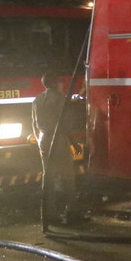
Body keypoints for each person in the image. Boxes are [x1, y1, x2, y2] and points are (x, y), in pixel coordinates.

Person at [32, 73, 79, 224]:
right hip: (58, 139)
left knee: (48, 177)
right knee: (67, 176)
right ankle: (71, 212)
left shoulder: (37, 99)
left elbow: (33, 124)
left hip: (43, 139)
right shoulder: (60, 98)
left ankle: (48, 215)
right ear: (55, 83)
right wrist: (75, 143)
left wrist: (40, 142)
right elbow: (65, 124)